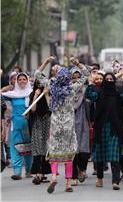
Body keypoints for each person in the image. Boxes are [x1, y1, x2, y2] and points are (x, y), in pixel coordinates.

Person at [35, 56, 89, 193]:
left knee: (54, 150)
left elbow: (36, 74)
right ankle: (68, 183)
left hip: (55, 124)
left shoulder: (52, 88)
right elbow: (87, 74)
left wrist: (46, 62)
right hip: (68, 125)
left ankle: (53, 176)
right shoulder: (72, 89)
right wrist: (77, 63)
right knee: (69, 152)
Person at [85, 72, 123, 190]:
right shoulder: (99, 93)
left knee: (114, 155)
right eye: (107, 79)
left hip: (115, 128)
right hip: (101, 127)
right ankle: (100, 178)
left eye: (112, 79)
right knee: (100, 155)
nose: (109, 81)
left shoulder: (118, 94)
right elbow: (89, 95)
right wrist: (90, 84)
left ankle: (115, 181)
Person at [2, 73, 33, 180]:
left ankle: (29, 170)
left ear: (27, 80)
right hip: (15, 124)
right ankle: (17, 172)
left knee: (28, 147)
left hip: (28, 125)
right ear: (16, 81)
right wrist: (6, 87)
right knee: (15, 146)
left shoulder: (31, 93)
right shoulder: (13, 94)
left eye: (24, 79)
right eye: (19, 79)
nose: (22, 81)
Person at [28, 78, 51, 185]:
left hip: (47, 120)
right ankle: (37, 173)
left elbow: (51, 107)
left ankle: (44, 173)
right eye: (38, 84)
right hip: (37, 120)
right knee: (37, 146)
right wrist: (36, 96)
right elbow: (32, 110)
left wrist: (46, 95)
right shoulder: (33, 94)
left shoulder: (49, 92)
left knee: (46, 146)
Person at [70, 67, 90, 185]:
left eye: (79, 78)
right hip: (70, 123)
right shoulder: (67, 91)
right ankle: (73, 176)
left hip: (84, 122)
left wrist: (85, 93)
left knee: (84, 149)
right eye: (74, 78)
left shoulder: (86, 90)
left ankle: (82, 169)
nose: (76, 80)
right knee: (73, 150)